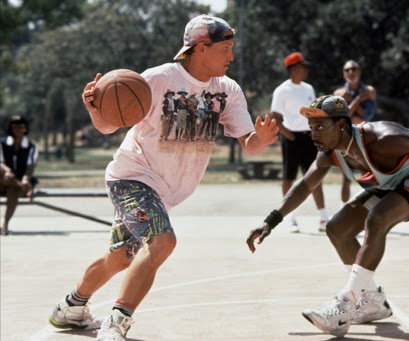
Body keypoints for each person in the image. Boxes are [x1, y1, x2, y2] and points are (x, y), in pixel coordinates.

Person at [48, 14, 279, 341]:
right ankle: (116, 324)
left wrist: (264, 140)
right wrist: (96, 109)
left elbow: (249, 144)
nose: (231, 56)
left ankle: (70, 308)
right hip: (131, 178)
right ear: (201, 48)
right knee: (163, 241)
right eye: (225, 48)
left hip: (164, 191)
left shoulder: (227, 90)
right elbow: (110, 126)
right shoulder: (157, 80)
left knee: (120, 258)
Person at [246, 95, 409, 338]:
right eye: (311, 127)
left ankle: (346, 303)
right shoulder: (329, 153)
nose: (312, 133)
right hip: (392, 183)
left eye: (319, 127)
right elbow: (305, 185)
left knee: (377, 218)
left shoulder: (384, 139)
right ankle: (372, 299)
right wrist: (271, 220)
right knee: (337, 228)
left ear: (341, 125)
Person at [271, 51, 329, 233]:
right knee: (289, 177)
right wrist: (288, 135)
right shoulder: (282, 90)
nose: (306, 71)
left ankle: (323, 218)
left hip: (309, 137)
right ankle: (289, 217)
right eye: (303, 67)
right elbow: (275, 116)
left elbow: (313, 112)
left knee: (315, 175)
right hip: (291, 138)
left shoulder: (308, 89)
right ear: (294, 69)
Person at [334, 60, 377, 203]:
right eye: (347, 70)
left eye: (354, 69)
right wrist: (358, 100)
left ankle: (369, 209)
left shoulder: (370, 91)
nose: (351, 72)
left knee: (367, 175)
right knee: (346, 177)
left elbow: (366, 116)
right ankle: (343, 211)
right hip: (346, 138)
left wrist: (352, 102)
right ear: (343, 73)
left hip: (364, 137)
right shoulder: (339, 93)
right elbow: (343, 116)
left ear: (359, 71)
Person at [0, 115, 39, 236]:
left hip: (18, 184)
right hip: (3, 180)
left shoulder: (31, 147)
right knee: (9, 179)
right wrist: (7, 171)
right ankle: (21, 186)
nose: (18, 129)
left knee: (13, 190)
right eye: (15, 126)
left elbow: (30, 166)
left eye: (21, 127)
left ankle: (5, 225)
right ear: (10, 128)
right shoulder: (2, 144)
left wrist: (26, 179)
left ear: (25, 128)